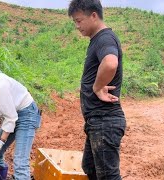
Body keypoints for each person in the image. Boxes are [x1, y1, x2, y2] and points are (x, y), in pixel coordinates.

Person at [68, 0, 126, 179]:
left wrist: (97, 87)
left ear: (93, 15)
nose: (77, 26)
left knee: (108, 176)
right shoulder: (98, 39)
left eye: (79, 21)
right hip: (97, 121)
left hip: (105, 120)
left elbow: (110, 63)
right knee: (90, 168)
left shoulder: (104, 38)